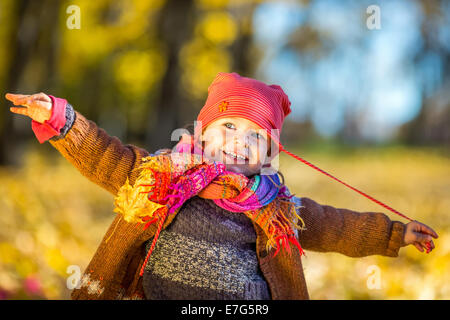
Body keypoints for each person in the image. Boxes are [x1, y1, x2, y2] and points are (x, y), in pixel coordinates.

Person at [5, 72, 438, 300]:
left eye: (255, 136)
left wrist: (394, 232)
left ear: (268, 152)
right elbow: (105, 155)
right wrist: (63, 120)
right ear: (203, 132)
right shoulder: (159, 176)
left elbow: (334, 226)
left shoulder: (273, 205)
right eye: (229, 125)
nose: (239, 142)